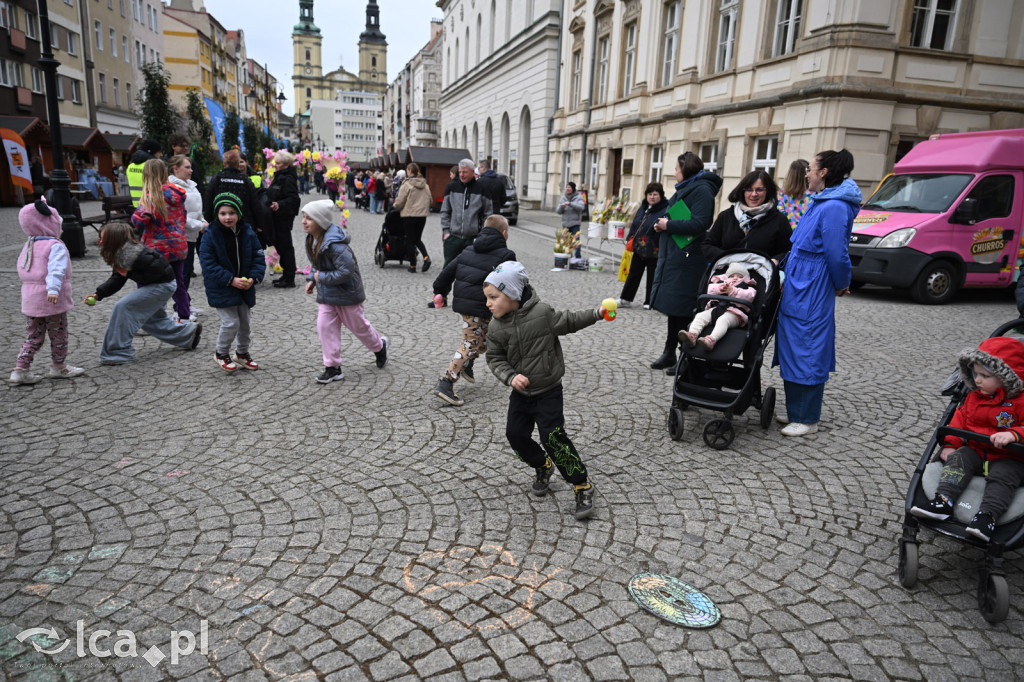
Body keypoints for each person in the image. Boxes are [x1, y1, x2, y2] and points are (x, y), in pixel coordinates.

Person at [483, 261, 614, 520]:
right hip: (521, 394)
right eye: (487, 298)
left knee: (553, 437)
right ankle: (542, 464)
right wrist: (510, 377)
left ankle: (582, 486)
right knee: (515, 435)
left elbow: (569, 321)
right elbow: (494, 359)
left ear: (512, 295)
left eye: (493, 297)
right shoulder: (496, 327)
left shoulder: (542, 313)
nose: (488, 303)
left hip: (548, 390)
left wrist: (598, 313)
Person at [774, 149, 860, 437]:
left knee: (809, 345)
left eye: (811, 169)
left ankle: (808, 418)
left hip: (812, 283)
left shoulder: (834, 206)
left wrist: (841, 282)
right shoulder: (821, 200)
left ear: (823, 173)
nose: (807, 173)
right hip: (800, 281)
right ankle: (796, 411)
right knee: (792, 342)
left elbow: (837, 254)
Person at [910, 337, 1024, 542]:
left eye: (985, 376)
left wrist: (1014, 434)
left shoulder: (1020, 402)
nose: (977, 380)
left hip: (1009, 456)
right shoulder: (974, 396)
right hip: (977, 450)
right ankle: (944, 500)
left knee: (1004, 476)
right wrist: (951, 444)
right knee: (959, 458)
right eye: (975, 374)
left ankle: (987, 516)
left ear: (1007, 378)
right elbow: (959, 420)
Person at [649, 152, 723, 373]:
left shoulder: (702, 190)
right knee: (674, 308)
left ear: (686, 170)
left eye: (676, 169)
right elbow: (679, 217)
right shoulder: (688, 187)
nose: (674, 172)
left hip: (689, 259)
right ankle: (669, 352)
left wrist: (668, 226)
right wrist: (662, 224)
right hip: (677, 256)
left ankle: (686, 358)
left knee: (685, 310)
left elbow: (700, 223)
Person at [87, 222, 202, 365]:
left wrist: (130, 272)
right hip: (161, 284)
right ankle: (187, 334)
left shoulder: (132, 253)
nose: (99, 241)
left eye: (102, 237)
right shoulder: (123, 253)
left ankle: (118, 352)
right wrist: (99, 294)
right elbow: (117, 279)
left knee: (122, 307)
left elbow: (158, 269)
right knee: (150, 319)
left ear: (113, 238)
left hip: (162, 285)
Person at [431, 215, 516, 406]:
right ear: (504, 233)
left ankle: (466, 365)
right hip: (479, 305)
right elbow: (513, 282)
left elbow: (448, 271)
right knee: (470, 343)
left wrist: (440, 291)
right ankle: (446, 382)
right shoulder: (506, 255)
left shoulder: (469, 249)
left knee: (482, 341)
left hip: (471, 305)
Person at [301, 200, 389, 383]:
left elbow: (346, 272)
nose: (304, 221)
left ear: (321, 221)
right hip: (327, 296)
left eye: (309, 218)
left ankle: (379, 347)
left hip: (347, 295)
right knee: (325, 327)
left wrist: (320, 278)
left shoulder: (336, 245)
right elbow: (317, 266)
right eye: (304, 217)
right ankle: (332, 368)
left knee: (359, 328)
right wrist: (312, 280)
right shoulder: (311, 239)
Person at [9, 199, 85, 384]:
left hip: (31, 299)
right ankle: (59, 366)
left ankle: (20, 369)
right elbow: (56, 270)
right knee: (58, 333)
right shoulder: (55, 245)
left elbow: (23, 269)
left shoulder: (29, 244)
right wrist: (53, 289)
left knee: (33, 336)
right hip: (52, 299)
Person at [199, 193, 265, 372]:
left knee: (245, 322)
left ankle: (242, 354)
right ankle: (221, 353)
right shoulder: (210, 235)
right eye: (223, 213)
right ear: (216, 214)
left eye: (231, 213)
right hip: (222, 287)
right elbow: (208, 264)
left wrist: (253, 277)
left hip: (244, 287)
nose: (227, 217)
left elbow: (258, 257)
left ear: (239, 214)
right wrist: (230, 280)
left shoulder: (248, 232)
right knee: (230, 322)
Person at [131, 158, 191, 323]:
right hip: (178, 246)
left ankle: (146, 318)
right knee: (178, 283)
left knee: (144, 282)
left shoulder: (151, 197)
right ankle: (184, 316)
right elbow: (183, 218)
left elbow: (138, 221)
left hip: (157, 249)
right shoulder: (177, 194)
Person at [702, 170, 792, 264]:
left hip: (762, 275)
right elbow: (708, 245)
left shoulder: (779, 220)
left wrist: (775, 260)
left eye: (759, 190)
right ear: (743, 191)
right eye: (749, 189)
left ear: (768, 191)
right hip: (727, 274)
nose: (753, 194)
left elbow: (788, 251)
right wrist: (728, 258)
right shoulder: (726, 216)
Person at [678, 263, 757, 352]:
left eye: (739, 276)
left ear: (746, 279)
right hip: (716, 310)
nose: (735, 278)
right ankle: (692, 335)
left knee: (723, 320)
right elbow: (710, 290)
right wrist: (719, 289)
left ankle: (711, 340)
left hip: (735, 314)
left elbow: (749, 296)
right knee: (700, 316)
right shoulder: (720, 283)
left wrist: (733, 291)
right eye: (732, 276)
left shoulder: (748, 287)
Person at [617, 182, 668, 309]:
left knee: (652, 276)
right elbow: (635, 224)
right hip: (639, 248)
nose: (652, 197)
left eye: (655, 194)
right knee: (633, 273)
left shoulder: (665, 209)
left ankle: (650, 301)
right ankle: (625, 299)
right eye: (650, 194)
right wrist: (630, 237)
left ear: (661, 196)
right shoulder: (643, 207)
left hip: (655, 248)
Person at [204, 150, 267, 248]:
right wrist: (260, 224)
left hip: (221, 222)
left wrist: (207, 222)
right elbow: (255, 204)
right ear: (238, 164)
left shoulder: (217, 178)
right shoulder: (245, 180)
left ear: (224, 164)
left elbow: (208, 201)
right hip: (244, 223)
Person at [168, 155, 207, 315]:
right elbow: (180, 216)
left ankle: (185, 304)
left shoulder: (192, 185)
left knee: (186, 272)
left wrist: (203, 222)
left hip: (191, 236)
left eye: (191, 167)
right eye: (187, 167)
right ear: (175, 169)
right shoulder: (172, 188)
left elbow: (196, 212)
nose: (191, 171)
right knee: (181, 274)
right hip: (180, 236)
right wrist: (200, 225)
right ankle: (180, 309)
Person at [440, 159, 493, 268]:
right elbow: (445, 210)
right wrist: (446, 232)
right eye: (460, 172)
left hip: (473, 238)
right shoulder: (451, 187)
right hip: (453, 238)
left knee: (471, 271)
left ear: (473, 172)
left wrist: (482, 234)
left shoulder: (482, 188)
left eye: (465, 172)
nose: (461, 175)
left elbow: (488, 214)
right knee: (448, 270)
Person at [267, 150, 301, 288]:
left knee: (285, 247)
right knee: (281, 247)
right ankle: (286, 275)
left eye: (278, 163)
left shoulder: (287, 179)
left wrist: (279, 204)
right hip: (277, 217)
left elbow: (294, 199)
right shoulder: (280, 176)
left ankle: (289, 277)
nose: (275, 165)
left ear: (286, 165)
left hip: (283, 218)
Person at [394, 162, 433, 273]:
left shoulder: (406, 184)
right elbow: (430, 200)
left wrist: (395, 206)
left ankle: (412, 266)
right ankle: (426, 257)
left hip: (409, 215)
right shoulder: (425, 185)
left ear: (409, 171)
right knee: (417, 239)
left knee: (410, 241)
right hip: (422, 216)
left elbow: (400, 201)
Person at [779, 159, 812, 232]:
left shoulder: (782, 194)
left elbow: (779, 215)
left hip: (785, 236)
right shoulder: (814, 195)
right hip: (805, 237)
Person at [126, 139, 161, 207]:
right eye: (159, 152)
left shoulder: (130, 166)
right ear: (152, 153)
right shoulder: (152, 166)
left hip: (136, 205)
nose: (161, 154)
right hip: (151, 206)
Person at [556, 182, 586, 259]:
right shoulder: (563, 198)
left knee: (576, 240)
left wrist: (570, 204)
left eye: (569, 187)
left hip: (575, 223)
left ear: (573, 188)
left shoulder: (579, 197)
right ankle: (568, 256)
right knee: (566, 241)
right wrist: (562, 207)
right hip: (565, 223)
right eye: (567, 187)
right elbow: (558, 211)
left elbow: (581, 207)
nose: (568, 189)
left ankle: (578, 257)